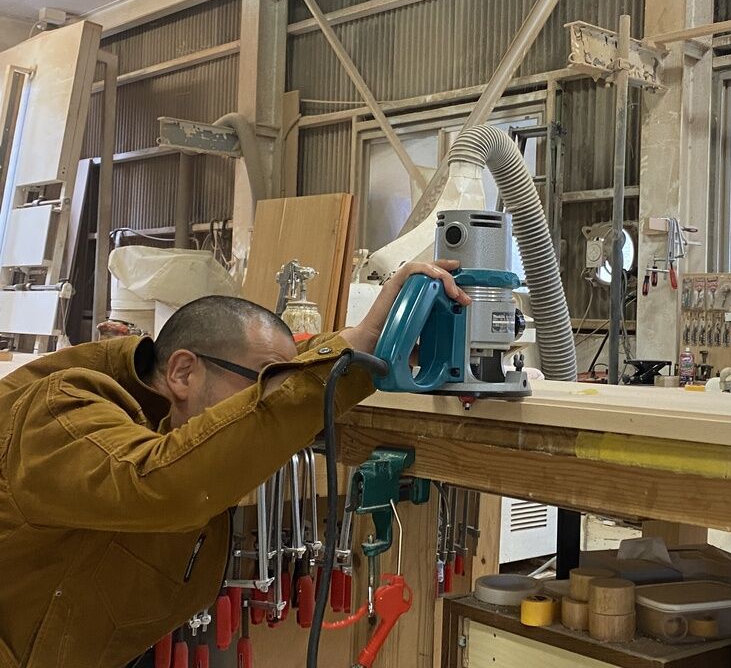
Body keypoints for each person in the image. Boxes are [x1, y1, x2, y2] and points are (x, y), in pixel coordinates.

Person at [0, 260, 470, 668]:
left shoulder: (173, 408)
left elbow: (271, 383)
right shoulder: (60, 415)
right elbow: (161, 484)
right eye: (260, 387)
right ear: (183, 372)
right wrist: (330, 369)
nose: (265, 403)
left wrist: (367, 345)